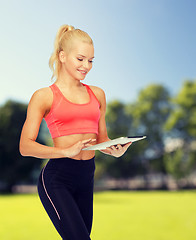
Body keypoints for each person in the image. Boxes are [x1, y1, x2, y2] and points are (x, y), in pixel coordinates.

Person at [19, 24, 132, 240]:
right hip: (57, 177)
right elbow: (25, 146)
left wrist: (115, 150)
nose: (86, 66)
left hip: (86, 175)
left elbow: (102, 140)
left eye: (90, 60)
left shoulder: (97, 94)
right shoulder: (44, 96)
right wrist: (65, 152)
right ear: (62, 56)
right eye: (80, 59)